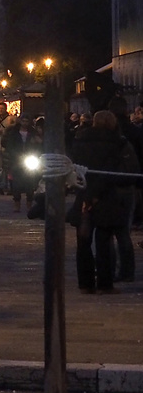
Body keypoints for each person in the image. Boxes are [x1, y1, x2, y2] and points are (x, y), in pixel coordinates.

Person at [70, 110, 139, 293]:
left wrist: (87, 194)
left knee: (83, 242)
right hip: (107, 195)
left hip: (84, 192)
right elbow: (115, 169)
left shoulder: (80, 139)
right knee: (104, 241)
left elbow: (75, 165)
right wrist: (98, 193)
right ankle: (105, 283)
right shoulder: (117, 142)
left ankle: (85, 283)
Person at [0, 113, 41, 213]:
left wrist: (36, 145)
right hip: (16, 159)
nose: (25, 123)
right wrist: (14, 154)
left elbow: (38, 145)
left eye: (27, 121)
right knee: (16, 183)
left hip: (30, 157)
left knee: (30, 182)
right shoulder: (13, 132)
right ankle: (17, 203)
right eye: (23, 120)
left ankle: (29, 203)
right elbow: (7, 144)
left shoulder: (32, 132)